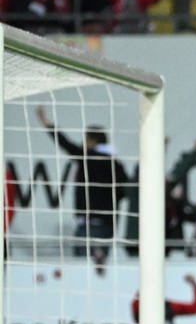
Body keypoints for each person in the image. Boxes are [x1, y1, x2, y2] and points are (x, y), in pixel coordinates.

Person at [35, 104, 128, 265]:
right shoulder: (116, 164)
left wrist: (46, 123)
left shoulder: (88, 157)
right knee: (99, 272)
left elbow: (65, 144)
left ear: (92, 141)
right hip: (107, 224)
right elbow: (124, 191)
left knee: (83, 272)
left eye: (85, 139)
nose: (82, 143)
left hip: (89, 225)